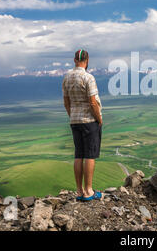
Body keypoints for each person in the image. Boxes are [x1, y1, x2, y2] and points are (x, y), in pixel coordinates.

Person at [62, 49, 103, 201]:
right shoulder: (88, 77)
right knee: (90, 155)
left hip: (74, 121)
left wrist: (72, 115)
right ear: (87, 60)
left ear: (74, 60)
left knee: (78, 154)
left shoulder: (66, 78)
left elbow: (66, 102)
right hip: (89, 121)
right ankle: (88, 191)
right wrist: (99, 118)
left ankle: (79, 191)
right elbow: (92, 102)